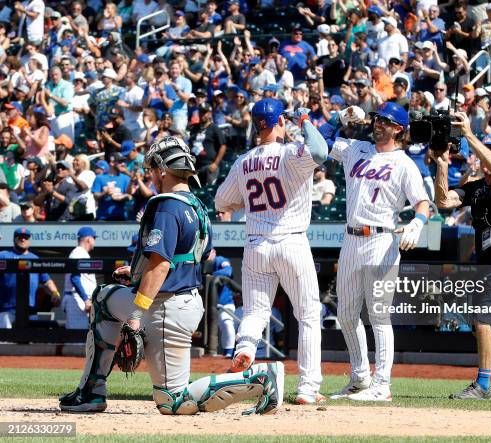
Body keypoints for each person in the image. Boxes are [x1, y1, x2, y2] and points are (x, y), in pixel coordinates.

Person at [60, 136, 283, 415]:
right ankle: (91, 392)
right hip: (185, 301)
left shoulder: (165, 204)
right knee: (105, 298)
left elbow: (162, 265)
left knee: (173, 400)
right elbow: (189, 257)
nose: (151, 175)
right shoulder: (197, 206)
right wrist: (139, 272)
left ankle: (258, 379)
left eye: (153, 169)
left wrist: (136, 314)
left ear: (163, 169)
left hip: (165, 307)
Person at [215, 98, 326, 405]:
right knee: (308, 315)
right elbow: (319, 150)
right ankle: (307, 388)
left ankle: (246, 348)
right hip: (291, 241)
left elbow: (221, 202)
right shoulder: (291, 153)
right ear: (280, 123)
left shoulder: (243, 161)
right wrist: (304, 118)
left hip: (255, 244)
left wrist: (244, 203)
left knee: (255, 312)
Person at [319, 103, 430, 402]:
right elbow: (317, 142)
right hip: (351, 240)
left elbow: (422, 203)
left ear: (399, 129)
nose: (378, 123)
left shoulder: (404, 163)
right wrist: (337, 118)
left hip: (382, 240)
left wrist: (417, 224)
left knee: (379, 315)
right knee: (345, 313)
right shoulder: (357, 147)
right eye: (377, 118)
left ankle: (382, 384)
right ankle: (359, 378)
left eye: (386, 121)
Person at [435, 117, 491, 400]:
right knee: (479, 326)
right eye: (484, 148)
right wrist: (441, 163)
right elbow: (443, 201)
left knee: (484, 322)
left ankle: (483, 385)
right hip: (485, 266)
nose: (485, 152)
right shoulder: (476, 187)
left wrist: (470, 136)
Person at [0, 228, 61, 329]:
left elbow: (46, 281)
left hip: (30, 310)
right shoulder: (3, 255)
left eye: (26, 237)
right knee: (5, 343)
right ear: (14, 239)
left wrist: (55, 293)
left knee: (30, 342)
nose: (23, 240)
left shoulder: (35, 258)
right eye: (20, 237)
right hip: (6, 310)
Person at [63, 227, 97, 330]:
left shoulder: (82, 253)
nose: (94, 241)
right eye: (94, 238)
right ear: (88, 239)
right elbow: (75, 278)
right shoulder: (78, 253)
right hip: (76, 300)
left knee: (81, 337)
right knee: (77, 339)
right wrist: (86, 299)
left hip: (79, 299)